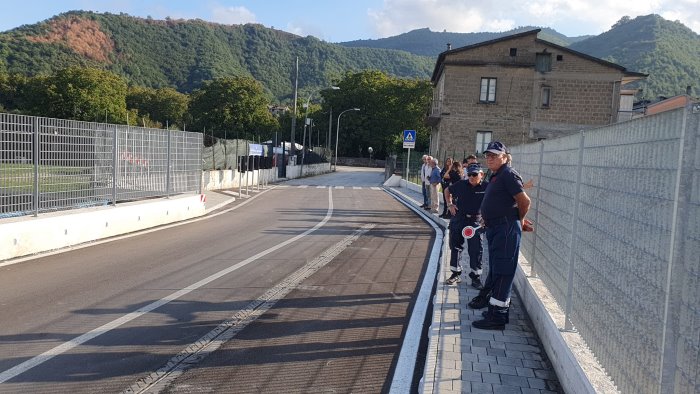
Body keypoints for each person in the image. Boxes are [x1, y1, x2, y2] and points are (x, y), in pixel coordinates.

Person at [471, 141, 532, 330]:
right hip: (497, 228)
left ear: (504, 157)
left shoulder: (508, 174)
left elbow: (524, 201)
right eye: (488, 155)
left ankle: (497, 318)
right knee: (498, 269)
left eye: (494, 155)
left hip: (505, 229)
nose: (489, 158)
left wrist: (519, 220)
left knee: (503, 271)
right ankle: (494, 310)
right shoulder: (498, 174)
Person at [444, 163, 488, 286]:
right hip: (459, 218)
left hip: (475, 222)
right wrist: (449, 204)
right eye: (469, 174)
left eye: (474, 174)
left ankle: (475, 277)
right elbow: (447, 190)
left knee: (476, 250)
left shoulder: (487, 186)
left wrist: (487, 217)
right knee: (455, 247)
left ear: (481, 175)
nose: (471, 177)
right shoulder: (462, 184)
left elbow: (493, 202)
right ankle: (455, 274)